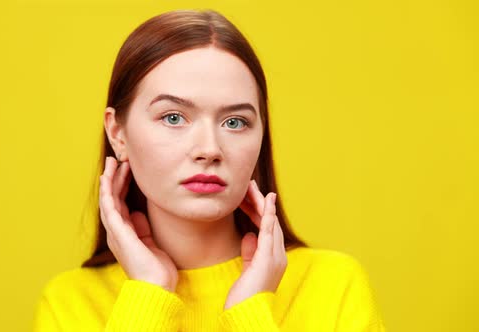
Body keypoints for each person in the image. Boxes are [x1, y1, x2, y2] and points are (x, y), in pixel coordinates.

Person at [32, 9, 386, 332]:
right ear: (117, 132)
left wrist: (250, 309)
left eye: (235, 122)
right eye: (173, 117)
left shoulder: (333, 285)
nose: (209, 150)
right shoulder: (69, 304)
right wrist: (148, 293)